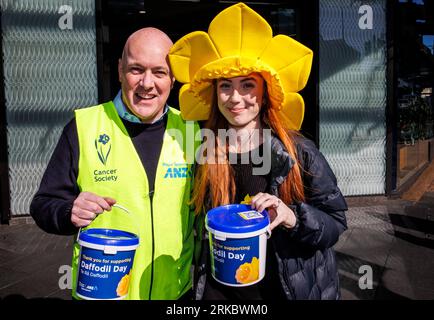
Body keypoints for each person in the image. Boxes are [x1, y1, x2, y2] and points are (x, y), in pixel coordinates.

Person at [168, 3, 348, 300]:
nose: (235, 98)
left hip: (284, 290)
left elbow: (335, 222)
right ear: (215, 94)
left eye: (247, 85)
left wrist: (292, 217)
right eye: (225, 86)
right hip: (221, 291)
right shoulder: (203, 151)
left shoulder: (298, 151)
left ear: (264, 92)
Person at [30, 27, 200, 300]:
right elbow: (42, 204)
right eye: (136, 69)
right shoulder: (83, 127)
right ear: (120, 70)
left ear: (172, 78)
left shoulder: (192, 132)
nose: (147, 83)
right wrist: (68, 210)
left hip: (177, 293)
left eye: (159, 72)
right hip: (104, 294)